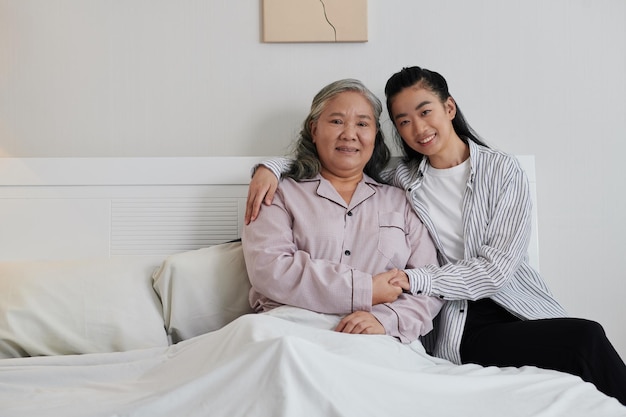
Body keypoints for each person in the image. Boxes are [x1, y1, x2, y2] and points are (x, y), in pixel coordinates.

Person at [244, 67, 626, 404]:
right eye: (404, 121)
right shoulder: (403, 180)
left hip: (514, 306)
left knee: (585, 340)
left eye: (425, 112)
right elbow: (340, 161)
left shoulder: (501, 171)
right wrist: (271, 167)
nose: (418, 129)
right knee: (584, 342)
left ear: (449, 108)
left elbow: (495, 270)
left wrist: (412, 281)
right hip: (455, 320)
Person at [241, 79, 443, 343]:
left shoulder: (401, 202)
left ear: (374, 137)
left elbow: (429, 284)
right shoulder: (277, 192)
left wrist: (387, 319)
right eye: (336, 121)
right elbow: (269, 269)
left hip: (377, 336)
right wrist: (365, 290)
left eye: (362, 124)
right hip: (291, 329)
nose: (349, 134)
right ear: (314, 130)